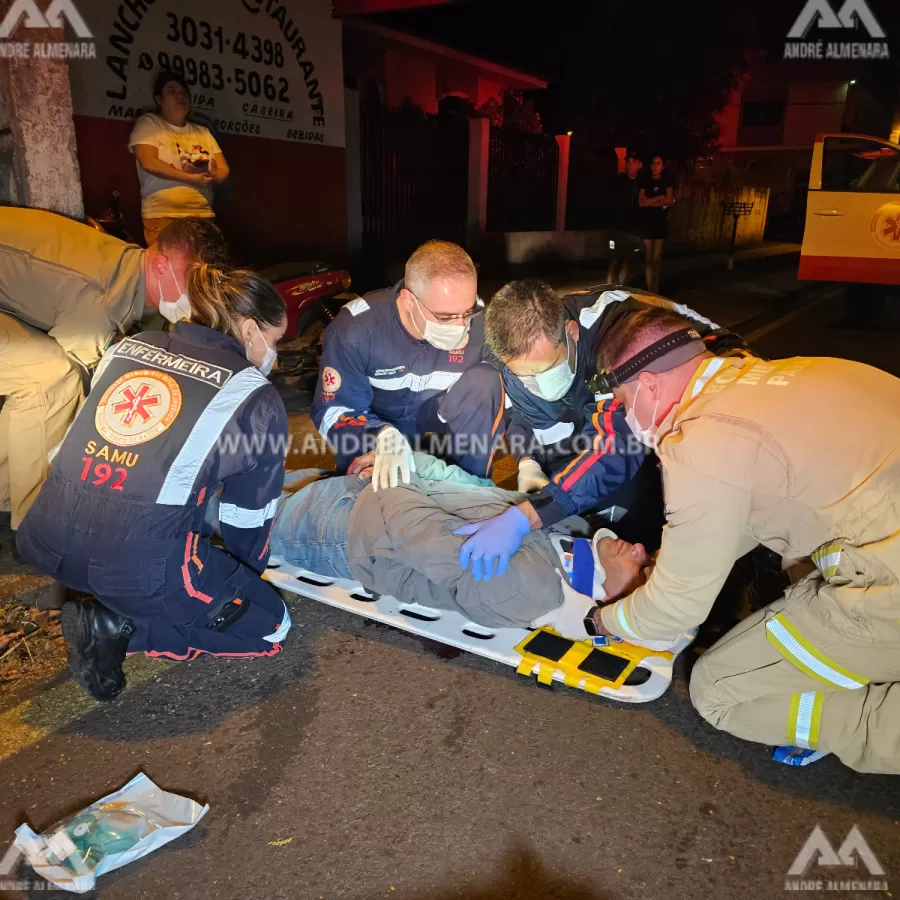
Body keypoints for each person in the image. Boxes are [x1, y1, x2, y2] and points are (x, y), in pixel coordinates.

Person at [589, 305, 900, 774]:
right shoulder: (796, 374)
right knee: (797, 566)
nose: (625, 414)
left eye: (623, 399)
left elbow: (678, 608)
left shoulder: (702, 441)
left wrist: (607, 621)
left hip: (889, 588)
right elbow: (748, 519)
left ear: (649, 386)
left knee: (717, 689)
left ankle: (864, 720)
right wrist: (655, 568)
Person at [16, 265, 291, 702]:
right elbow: (246, 516)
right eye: (274, 340)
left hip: (45, 538)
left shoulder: (129, 348)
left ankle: (112, 603)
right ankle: (127, 629)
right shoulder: (254, 395)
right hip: (139, 567)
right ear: (250, 329)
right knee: (273, 625)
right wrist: (242, 578)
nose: (272, 352)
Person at [457, 279, 721, 581]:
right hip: (598, 396)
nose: (537, 384)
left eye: (545, 370)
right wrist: (529, 462)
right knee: (569, 492)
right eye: (526, 376)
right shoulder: (510, 355)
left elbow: (617, 451)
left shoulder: (620, 332)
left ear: (571, 332)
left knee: (648, 493)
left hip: (706, 384)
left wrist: (528, 515)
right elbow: (531, 418)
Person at [0, 207, 228, 533]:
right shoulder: (99, 297)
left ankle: (6, 492)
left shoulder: (131, 268)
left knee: (47, 370)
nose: (197, 298)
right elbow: (104, 399)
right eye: (193, 285)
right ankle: (38, 526)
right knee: (52, 380)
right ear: (161, 266)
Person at [253, 458, 654, 637]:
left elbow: (420, 541)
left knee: (219, 506)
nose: (638, 549)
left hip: (347, 532)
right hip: (363, 497)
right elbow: (477, 490)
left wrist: (397, 476)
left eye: (642, 572)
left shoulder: (529, 591)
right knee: (246, 476)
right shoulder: (571, 531)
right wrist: (411, 462)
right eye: (648, 555)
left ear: (611, 603)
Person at [310, 241, 506, 486]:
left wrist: (530, 459)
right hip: (377, 422)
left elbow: (517, 392)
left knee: (488, 380)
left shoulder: (480, 326)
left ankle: (469, 489)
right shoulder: (356, 332)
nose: (461, 327)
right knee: (375, 499)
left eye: (467, 312)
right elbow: (333, 410)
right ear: (410, 301)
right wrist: (380, 436)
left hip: (439, 415)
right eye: (445, 317)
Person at [129, 71, 230, 246]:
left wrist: (209, 177)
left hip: (203, 215)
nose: (180, 95)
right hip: (164, 215)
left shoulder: (203, 132)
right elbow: (149, 162)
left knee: (206, 269)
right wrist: (191, 178)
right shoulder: (149, 124)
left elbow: (223, 170)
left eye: (184, 92)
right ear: (159, 99)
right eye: (172, 90)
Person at [638, 155, 675, 293]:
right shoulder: (645, 182)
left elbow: (669, 200)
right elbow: (641, 202)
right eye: (653, 163)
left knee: (657, 259)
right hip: (646, 223)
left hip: (660, 223)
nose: (655, 166)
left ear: (663, 166)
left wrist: (651, 201)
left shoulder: (667, 182)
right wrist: (660, 198)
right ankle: (649, 289)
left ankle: (656, 289)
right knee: (648, 259)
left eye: (658, 163)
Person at [606, 152, 643, 285]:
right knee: (614, 259)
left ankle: (620, 289)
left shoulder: (641, 184)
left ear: (640, 165)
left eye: (633, 162)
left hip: (633, 230)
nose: (629, 165)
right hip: (617, 227)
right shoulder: (619, 180)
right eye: (628, 162)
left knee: (627, 261)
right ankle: (608, 290)